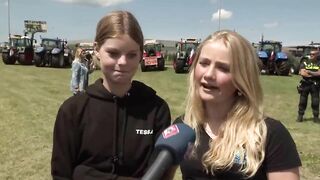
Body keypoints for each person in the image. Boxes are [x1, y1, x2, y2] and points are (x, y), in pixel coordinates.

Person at [51, 10, 172, 179]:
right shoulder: (72, 111)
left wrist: (85, 174)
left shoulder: (156, 111)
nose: (122, 62)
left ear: (140, 55)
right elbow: (61, 174)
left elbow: (158, 174)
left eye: (131, 55)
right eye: (113, 53)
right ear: (97, 50)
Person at [174, 30, 301, 179]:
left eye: (223, 68)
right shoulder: (183, 128)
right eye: (204, 63)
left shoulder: (270, 134)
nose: (208, 74)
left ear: (242, 78)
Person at [297, 50, 320, 122]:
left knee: (315, 102)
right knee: (302, 101)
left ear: (317, 55)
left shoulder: (319, 63)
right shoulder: (305, 61)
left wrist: (309, 72)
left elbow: (319, 73)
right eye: (310, 54)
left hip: (315, 85)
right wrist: (314, 74)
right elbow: (302, 72)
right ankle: (300, 117)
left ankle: (316, 117)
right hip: (305, 84)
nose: (311, 55)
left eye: (313, 54)